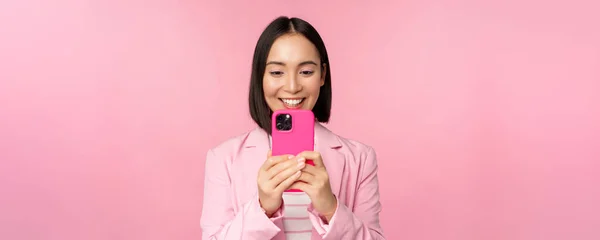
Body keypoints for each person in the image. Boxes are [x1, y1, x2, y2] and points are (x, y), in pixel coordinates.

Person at [200, 16, 385, 240]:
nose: (292, 87)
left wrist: (330, 207)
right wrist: (262, 208)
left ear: (322, 75)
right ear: (261, 77)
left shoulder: (360, 158)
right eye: (277, 72)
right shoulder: (223, 158)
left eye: (306, 72)